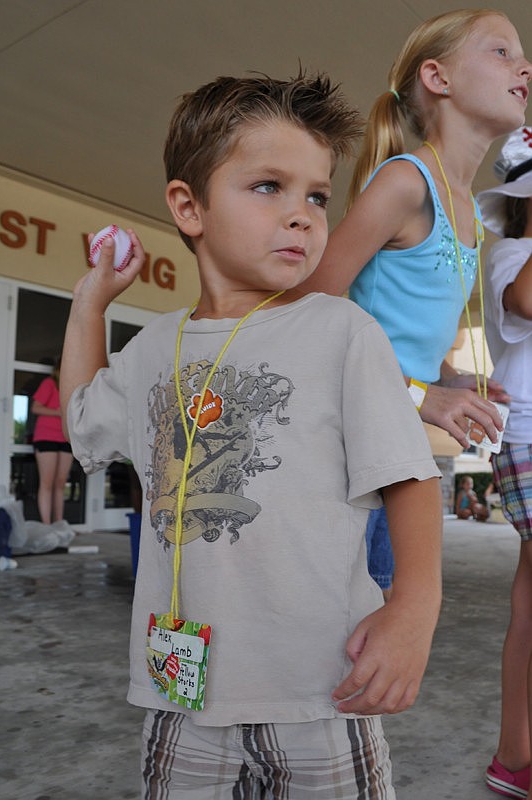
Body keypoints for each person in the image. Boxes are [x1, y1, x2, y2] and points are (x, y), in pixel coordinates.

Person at [60, 72, 443, 798]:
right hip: (179, 693)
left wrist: (414, 607)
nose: (301, 215)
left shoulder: (340, 332)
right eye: (268, 186)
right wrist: (91, 301)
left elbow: (409, 476)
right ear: (188, 206)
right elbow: (83, 415)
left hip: (323, 691)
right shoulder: (152, 348)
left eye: (317, 195)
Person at [300, 8, 530, 596]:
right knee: (338, 634)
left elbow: (400, 329)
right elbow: (308, 315)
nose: (524, 66)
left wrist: (454, 377)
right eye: (501, 51)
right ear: (438, 77)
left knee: (371, 621)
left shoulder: (472, 218)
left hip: (391, 453)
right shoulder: (406, 182)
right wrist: (424, 396)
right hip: (346, 455)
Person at [477, 125, 532, 799]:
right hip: (527, 436)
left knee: (528, 605)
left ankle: (513, 757)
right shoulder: (510, 253)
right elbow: (524, 302)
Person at [31, 359, 73, 524]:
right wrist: (58, 413)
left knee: (61, 483)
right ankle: (47, 525)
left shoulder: (70, 386)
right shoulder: (49, 383)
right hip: (46, 437)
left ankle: (59, 523)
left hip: (65, 437)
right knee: (47, 482)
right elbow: (36, 407)